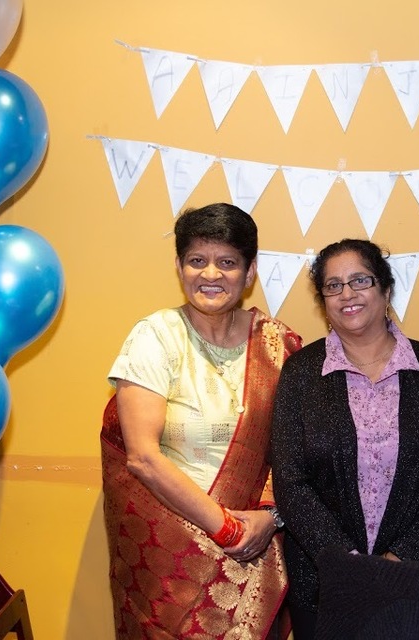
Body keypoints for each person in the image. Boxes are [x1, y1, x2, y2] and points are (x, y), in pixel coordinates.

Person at [100, 202, 302, 639]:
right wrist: (226, 529)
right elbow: (142, 457)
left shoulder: (277, 344)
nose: (211, 274)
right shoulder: (156, 336)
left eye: (227, 262)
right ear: (179, 267)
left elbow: (296, 452)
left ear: (249, 272)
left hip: (258, 550)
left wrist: (271, 519)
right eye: (197, 260)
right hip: (172, 562)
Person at [270, 238, 419, 639]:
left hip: (415, 584)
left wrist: (400, 560)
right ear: (323, 301)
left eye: (360, 280)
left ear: (385, 288)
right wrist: (348, 564)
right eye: (333, 286)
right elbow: (291, 482)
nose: (347, 294)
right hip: (325, 587)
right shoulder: (300, 374)